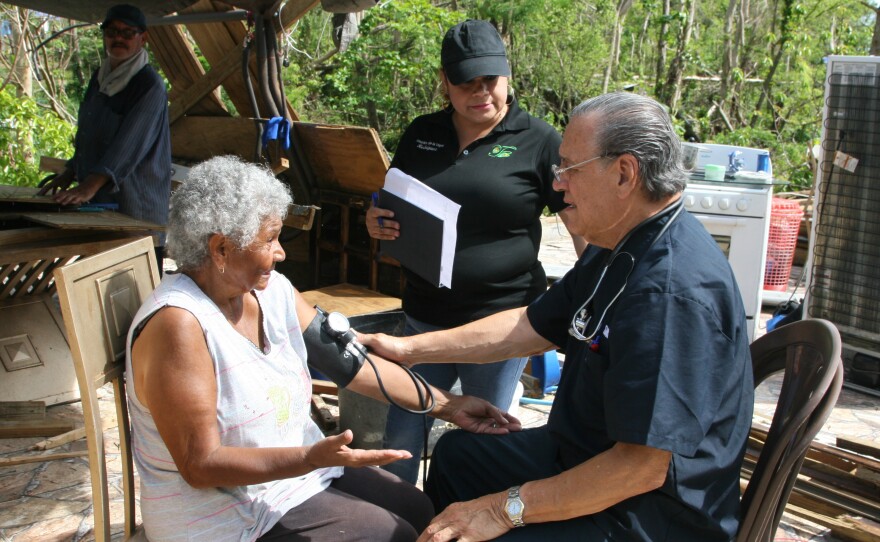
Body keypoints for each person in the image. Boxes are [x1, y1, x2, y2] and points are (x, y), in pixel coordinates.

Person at [361, 92, 755, 541]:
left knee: (490, 527)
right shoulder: (618, 244)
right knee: (457, 455)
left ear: (624, 173)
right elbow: (529, 325)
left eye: (569, 168)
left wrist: (503, 509)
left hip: (648, 512)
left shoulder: (669, 293)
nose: (559, 183)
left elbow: (641, 467)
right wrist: (408, 348)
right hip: (580, 454)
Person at [124, 155, 521, 542]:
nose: (280, 252)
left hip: (291, 477)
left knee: (419, 510)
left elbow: (350, 364)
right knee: (392, 533)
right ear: (221, 249)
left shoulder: (273, 292)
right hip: (224, 516)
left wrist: (448, 404)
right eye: (270, 239)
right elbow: (201, 465)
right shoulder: (179, 324)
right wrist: (310, 458)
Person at [366, 19, 583, 484]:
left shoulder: (540, 140)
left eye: (491, 80)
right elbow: (390, 197)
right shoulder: (422, 132)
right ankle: (396, 520)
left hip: (499, 323)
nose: (481, 92)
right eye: (467, 81)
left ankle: (479, 522)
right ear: (445, 82)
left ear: (508, 76)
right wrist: (375, 219)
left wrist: (597, 290)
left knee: (487, 436)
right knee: (401, 434)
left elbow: (580, 221)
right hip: (424, 316)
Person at [38, 4, 171, 267]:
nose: (118, 38)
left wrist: (88, 187)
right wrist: (71, 171)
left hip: (136, 207)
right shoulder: (100, 79)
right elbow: (87, 133)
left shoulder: (149, 85)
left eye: (127, 33)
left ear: (142, 38)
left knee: (139, 291)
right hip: (103, 204)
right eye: (112, 32)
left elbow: (128, 145)